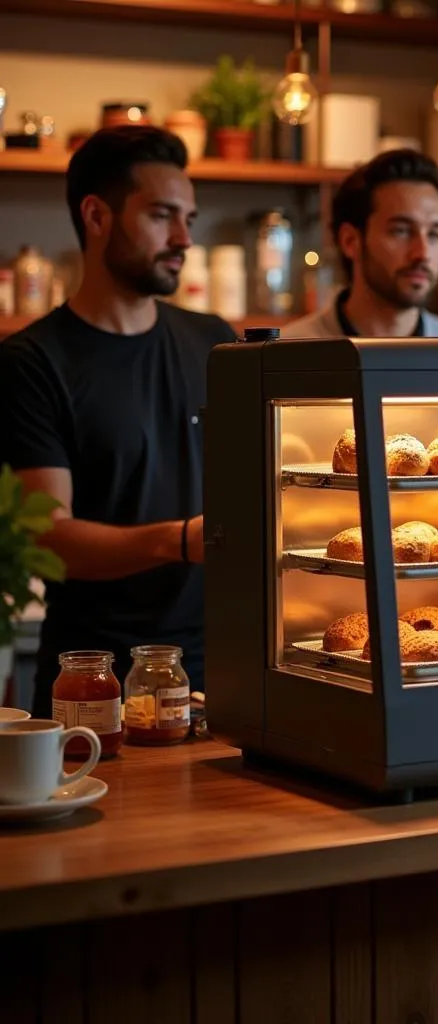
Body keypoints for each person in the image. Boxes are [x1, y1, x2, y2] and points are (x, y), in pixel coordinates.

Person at [0, 126, 237, 717]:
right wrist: (182, 538)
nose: (184, 237)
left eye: (189, 217)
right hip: (93, 679)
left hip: (220, 669)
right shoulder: (32, 362)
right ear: (96, 215)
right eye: (162, 215)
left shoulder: (214, 342)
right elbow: (49, 537)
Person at [283, 148, 438, 339]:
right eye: (401, 231)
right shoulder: (283, 357)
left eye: (434, 234)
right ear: (350, 241)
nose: (422, 253)